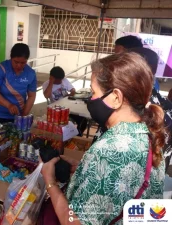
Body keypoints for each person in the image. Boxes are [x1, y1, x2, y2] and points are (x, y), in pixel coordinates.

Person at [42, 52, 165, 225]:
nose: (90, 99)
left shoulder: (108, 151)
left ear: (116, 97)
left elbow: (73, 222)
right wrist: (86, 170)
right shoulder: (150, 137)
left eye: (93, 92)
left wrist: (50, 183)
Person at [0, 43, 37, 123]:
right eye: (16, 62)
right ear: (11, 58)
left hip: (19, 114)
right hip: (1, 114)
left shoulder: (30, 73)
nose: (19, 66)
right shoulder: (1, 69)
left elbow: (31, 96)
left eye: (23, 63)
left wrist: (24, 115)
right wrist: (9, 105)